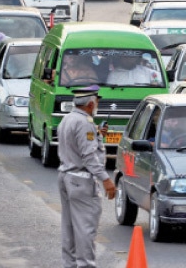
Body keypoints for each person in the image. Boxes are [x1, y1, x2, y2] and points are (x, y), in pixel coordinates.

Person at [56, 85, 115, 268]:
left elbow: (77, 145)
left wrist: (97, 135)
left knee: (70, 227)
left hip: (66, 175)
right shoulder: (84, 123)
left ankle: (70, 264)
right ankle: (86, 265)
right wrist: (106, 179)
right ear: (90, 104)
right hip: (81, 180)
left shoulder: (68, 119)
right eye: (96, 101)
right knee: (85, 228)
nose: (97, 105)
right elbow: (88, 156)